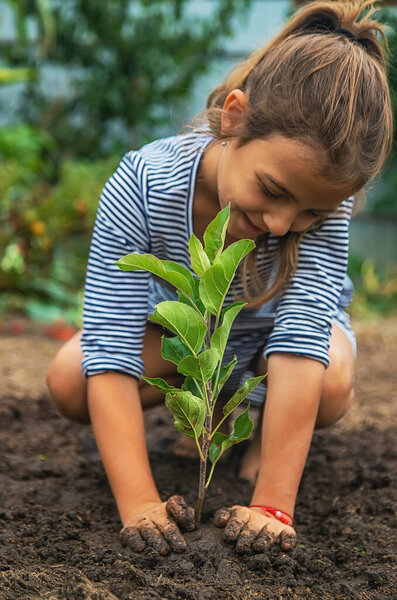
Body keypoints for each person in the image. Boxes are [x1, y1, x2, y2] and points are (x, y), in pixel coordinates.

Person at [47, 0, 392, 556]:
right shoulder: (143, 185)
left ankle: (258, 434)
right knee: (70, 379)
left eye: (311, 214)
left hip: (271, 348)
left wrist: (271, 506)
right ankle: (205, 411)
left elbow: (303, 340)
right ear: (234, 117)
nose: (282, 225)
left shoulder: (326, 204)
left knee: (330, 383)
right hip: (184, 341)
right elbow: (111, 349)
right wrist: (139, 504)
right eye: (274, 191)